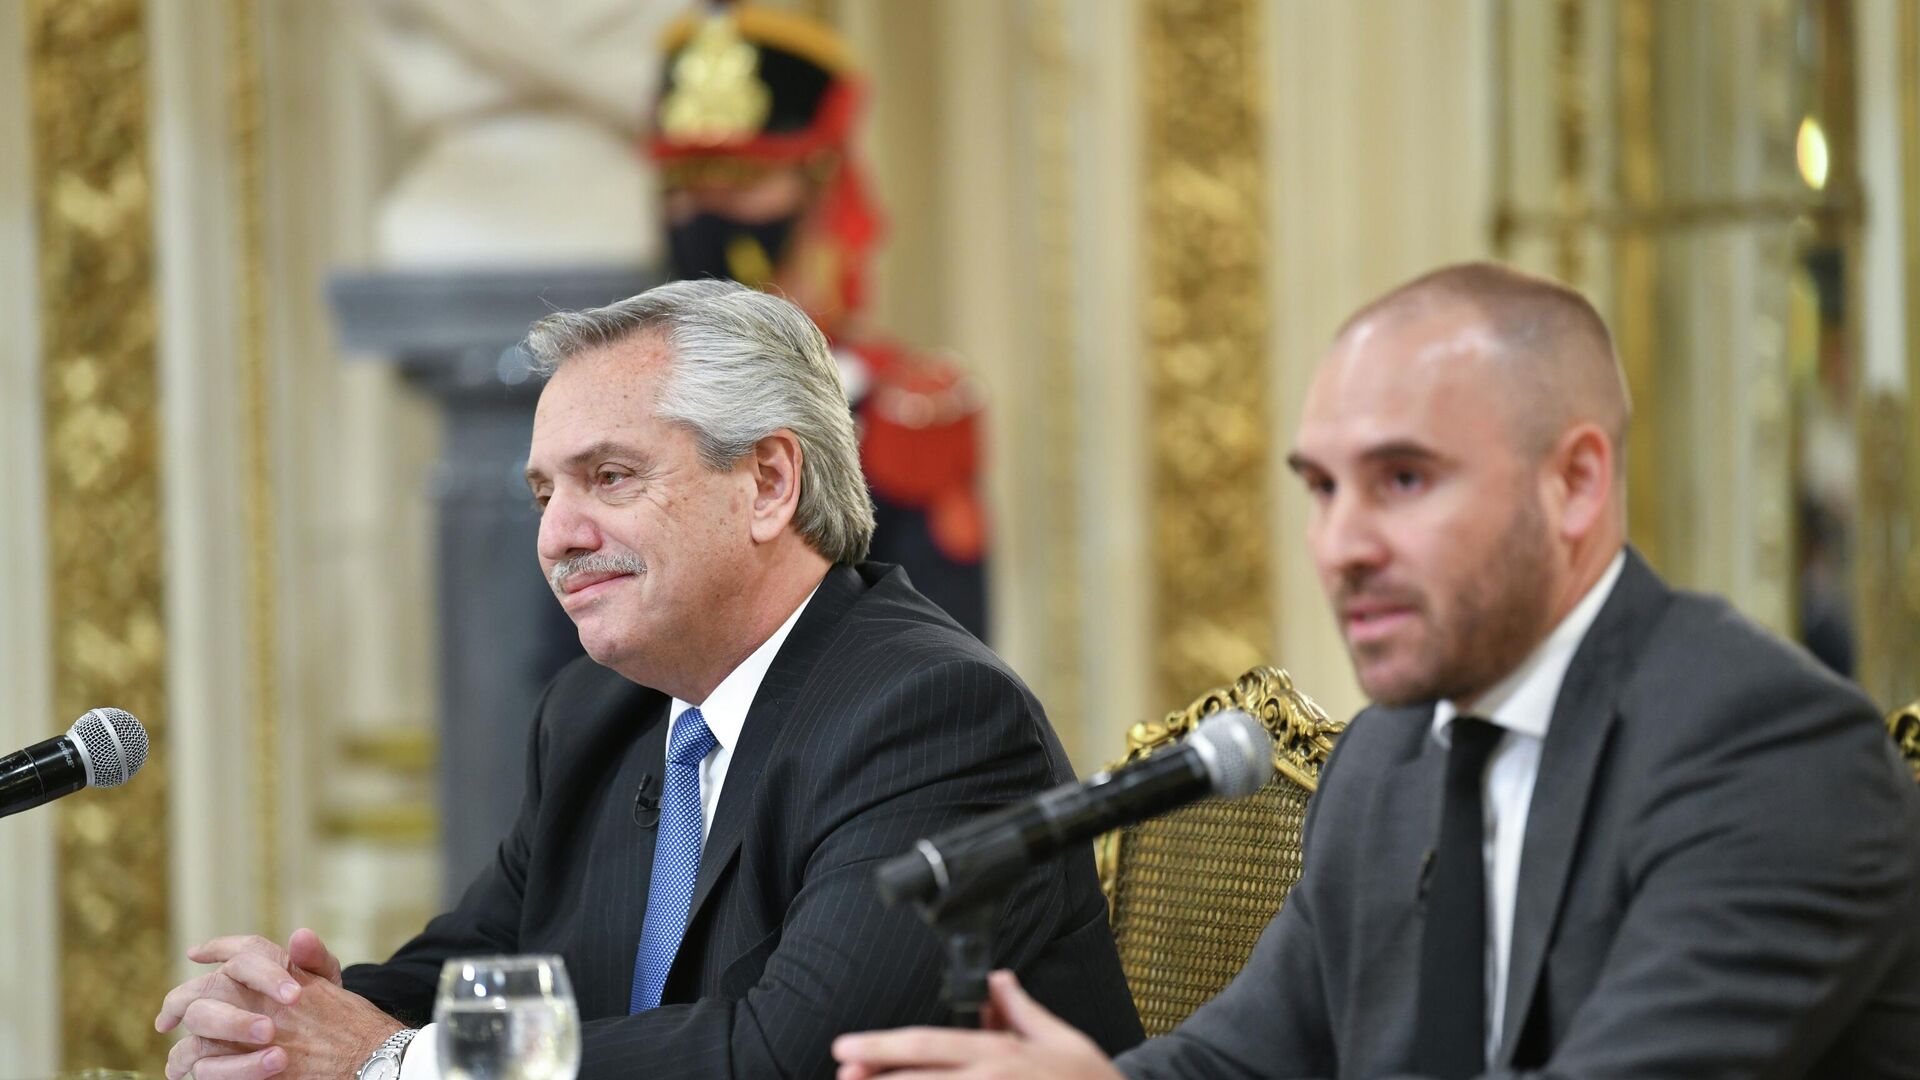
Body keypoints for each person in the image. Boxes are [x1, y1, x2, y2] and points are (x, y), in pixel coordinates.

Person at [834, 262, 1920, 1079]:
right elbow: (1244, 1064)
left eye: (1403, 480)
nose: (1341, 544)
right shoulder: (1393, 754)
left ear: (1576, 484)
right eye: (1322, 487)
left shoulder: (1767, 750)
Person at [154, 280, 1142, 1080]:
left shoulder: (930, 715)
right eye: (545, 493)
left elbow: (788, 1054)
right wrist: (289, 1022)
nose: (557, 537)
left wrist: (397, 1060)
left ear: (767, 484)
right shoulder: (601, 712)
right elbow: (482, 966)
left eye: (610, 477)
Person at [648, 3, 990, 638]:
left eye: (741, 179)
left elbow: (944, 655)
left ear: (820, 183)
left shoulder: (903, 409)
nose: (703, 211)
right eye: (684, 182)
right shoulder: (622, 396)